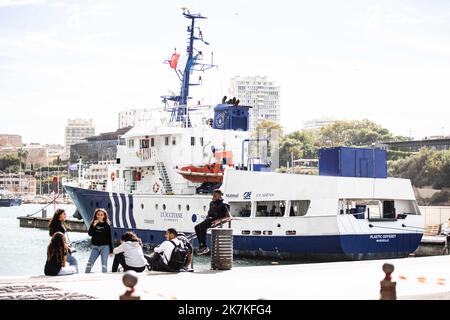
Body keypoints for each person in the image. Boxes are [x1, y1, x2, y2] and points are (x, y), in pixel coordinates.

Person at [194, 189, 230, 255]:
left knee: (202, 227)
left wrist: (218, 220)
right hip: (210, 219)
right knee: (196, 227)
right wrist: (207, 218)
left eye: (215, 196)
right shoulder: (211, 203)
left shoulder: (224, 204)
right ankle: (202, 245)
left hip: (217, 219)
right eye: (213, 195)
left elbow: (228, 216)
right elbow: (209, 213)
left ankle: (204, 246)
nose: (213, 197)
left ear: (220, 196)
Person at [85, 208, 113, 273]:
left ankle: (103, 280)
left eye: (101, 215)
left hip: (105, 247)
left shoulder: (107, 226)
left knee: (104, 265)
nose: (99, 216)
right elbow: (90, 234)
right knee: (89, 264)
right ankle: (85, 276)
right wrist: (93, 225)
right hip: (95, 247)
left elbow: (109, 238)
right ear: (96, 215)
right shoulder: (93, 224)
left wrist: (111, 251)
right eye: (98, 214)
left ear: (104, 216)